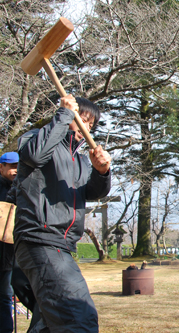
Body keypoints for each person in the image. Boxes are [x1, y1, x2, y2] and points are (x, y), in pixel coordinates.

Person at [14, 94, 111, 332]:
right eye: (83, 119)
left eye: (91, 124)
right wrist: (64, 114)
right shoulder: (35, 138)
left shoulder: (80, 159)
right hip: (40, 238)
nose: (87, 128)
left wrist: (102, 171)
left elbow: (92, 192)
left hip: (62, 244)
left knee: (48, 323)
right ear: (69, 114)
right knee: (78, 318)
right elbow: (34, 155)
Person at [0, 152, 18, 333]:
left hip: (13, 253)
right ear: (1, 167)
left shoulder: (23, 187)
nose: (15, 170)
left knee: (6, 295)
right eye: (11, 166)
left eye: (18, 166)